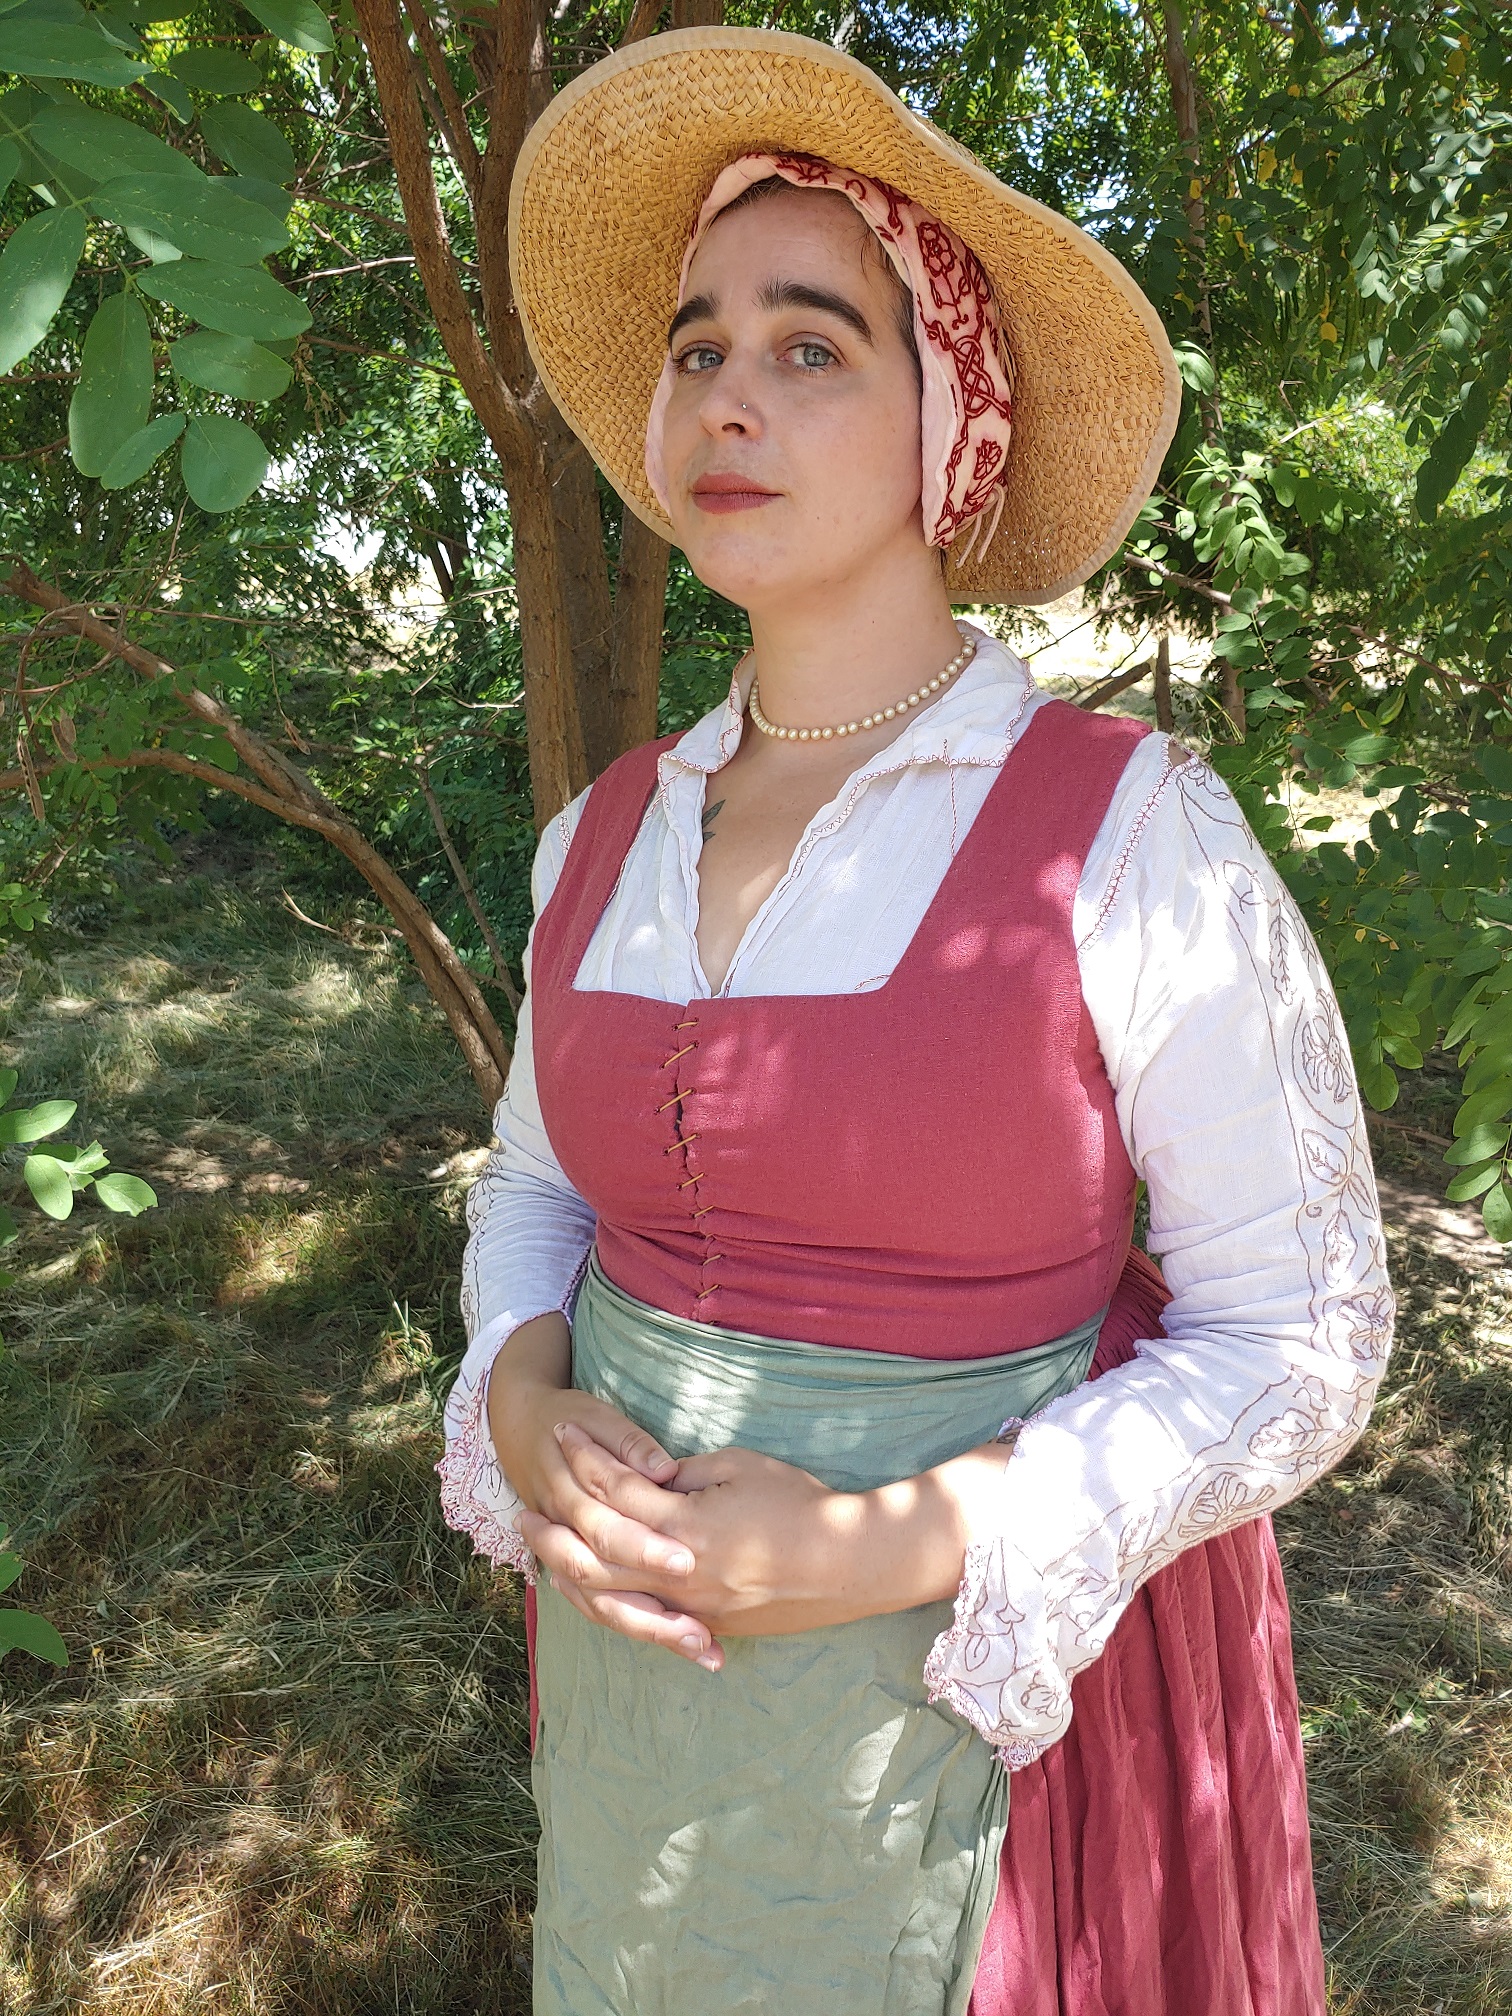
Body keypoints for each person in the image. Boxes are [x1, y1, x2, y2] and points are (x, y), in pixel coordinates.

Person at [438, 27, 1394, 2016]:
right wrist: (520, 1399)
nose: (728, 392)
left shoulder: (1126, 834)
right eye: (699, 344)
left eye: (812, 345)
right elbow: (536, 1188)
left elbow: (1300, 1338)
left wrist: (887, 1544)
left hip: (982, 1728)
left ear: (947, 415)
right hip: (643, 1719)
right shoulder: (601, 837)